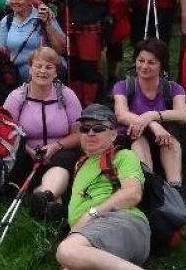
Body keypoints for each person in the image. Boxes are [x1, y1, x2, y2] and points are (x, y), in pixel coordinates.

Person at [55, 104, 149, 270]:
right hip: (94, 235)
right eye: (84, 129)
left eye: (98, 128)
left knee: (67, 250)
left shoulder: (123, 155)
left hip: (121, 221)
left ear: (113, 134)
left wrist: (91, 214)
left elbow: (132, 193)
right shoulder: (80, 164)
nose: (90, 133)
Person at [2, 47, 81, 218]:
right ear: (30, 69)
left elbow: (79, 134)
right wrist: (29, 151)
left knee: (63, 160)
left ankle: (43, 196)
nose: (42, 71)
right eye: (38, 66)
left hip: (60, 153)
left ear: (56, 73)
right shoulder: (16, 97)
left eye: (48, 67)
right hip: (27, 155)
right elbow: (6, 133)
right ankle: (50, 204)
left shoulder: (67, 95)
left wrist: (56, 146)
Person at [112, 39, 186, 190]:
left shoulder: (173, 88)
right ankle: (148, 185)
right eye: (141, 60)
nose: (144, 66)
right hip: (134, 139)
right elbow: (121, 115)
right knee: (138, 134)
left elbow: (183, 115)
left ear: (161, 65)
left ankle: (175, 187)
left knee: (169, 137)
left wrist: (152, 115)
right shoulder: (123, 86)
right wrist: (152, 123)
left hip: (164, 141)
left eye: (151, 62)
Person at [0, 0, 66, 82]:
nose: (15, 1)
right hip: (18, 72)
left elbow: (61, 49)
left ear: (30, 0)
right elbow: (2, 53)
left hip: (46, 66)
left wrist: (47, 24)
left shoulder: (44, 15)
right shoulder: (6, 21)